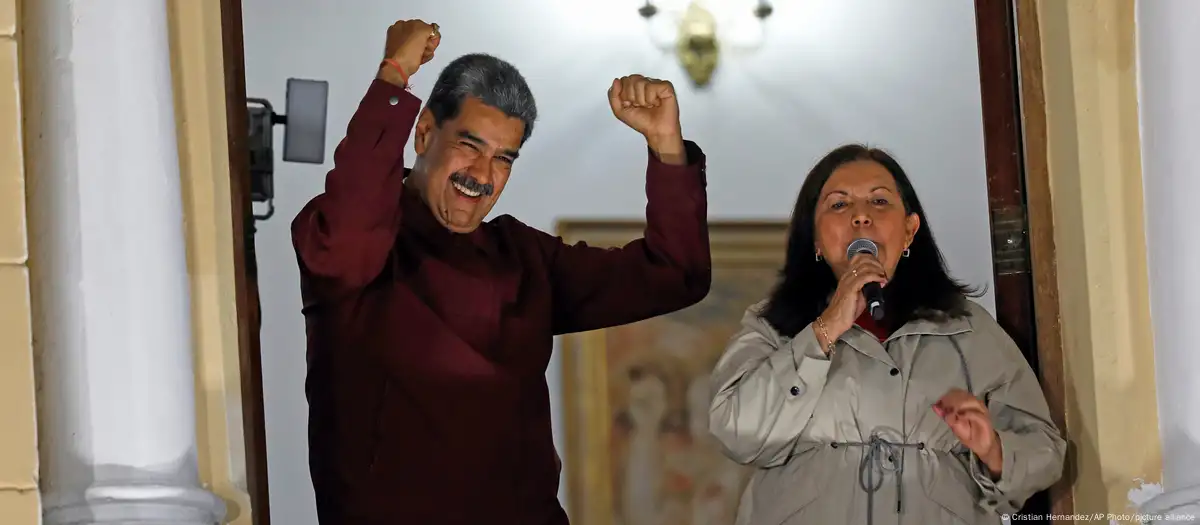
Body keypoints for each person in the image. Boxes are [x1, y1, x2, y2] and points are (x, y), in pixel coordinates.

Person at [291, 19, 712, 525]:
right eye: (469, 145)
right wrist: (393, 77)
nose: (483, 175)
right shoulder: (350, 244)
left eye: (504, 158)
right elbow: (350, 230)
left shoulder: (525, 257)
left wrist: (666, 144)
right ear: (424, 133)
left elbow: (675, 273)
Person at [707, 145, 1065, 525]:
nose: (861, 216)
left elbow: (1044, 451)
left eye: (879, 201)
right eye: (839, 205)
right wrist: (825, 328)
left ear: (910, 231)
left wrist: (993, 449)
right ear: (814, 237)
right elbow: (734, 430)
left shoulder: (968, 329)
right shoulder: (773, 325)